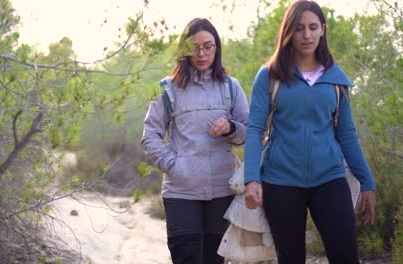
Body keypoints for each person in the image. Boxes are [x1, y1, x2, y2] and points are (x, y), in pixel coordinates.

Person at [243, 1, 376, 263]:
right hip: (280, 182)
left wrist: (367, 182)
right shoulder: (269, 76)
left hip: (329, 178)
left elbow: (347, 135)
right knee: (291, 258)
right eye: (299, 28)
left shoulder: (336, 78)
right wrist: (252, 179)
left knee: (346, 256)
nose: (307, 35)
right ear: (288, 32)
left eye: (313, 27)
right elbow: (255, 129)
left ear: (323, 30)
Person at [141, 18, 249, 264]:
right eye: (194, 47)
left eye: (208, 46)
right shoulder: (167, 89)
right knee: (186, 257)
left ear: (217, 48)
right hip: (181, 191)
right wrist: (174, 165)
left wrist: (231, 127)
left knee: (213, 259)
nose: (201, 53)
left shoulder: (231, 87)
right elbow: (150, 136)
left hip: (222, 189)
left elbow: (248, 133)